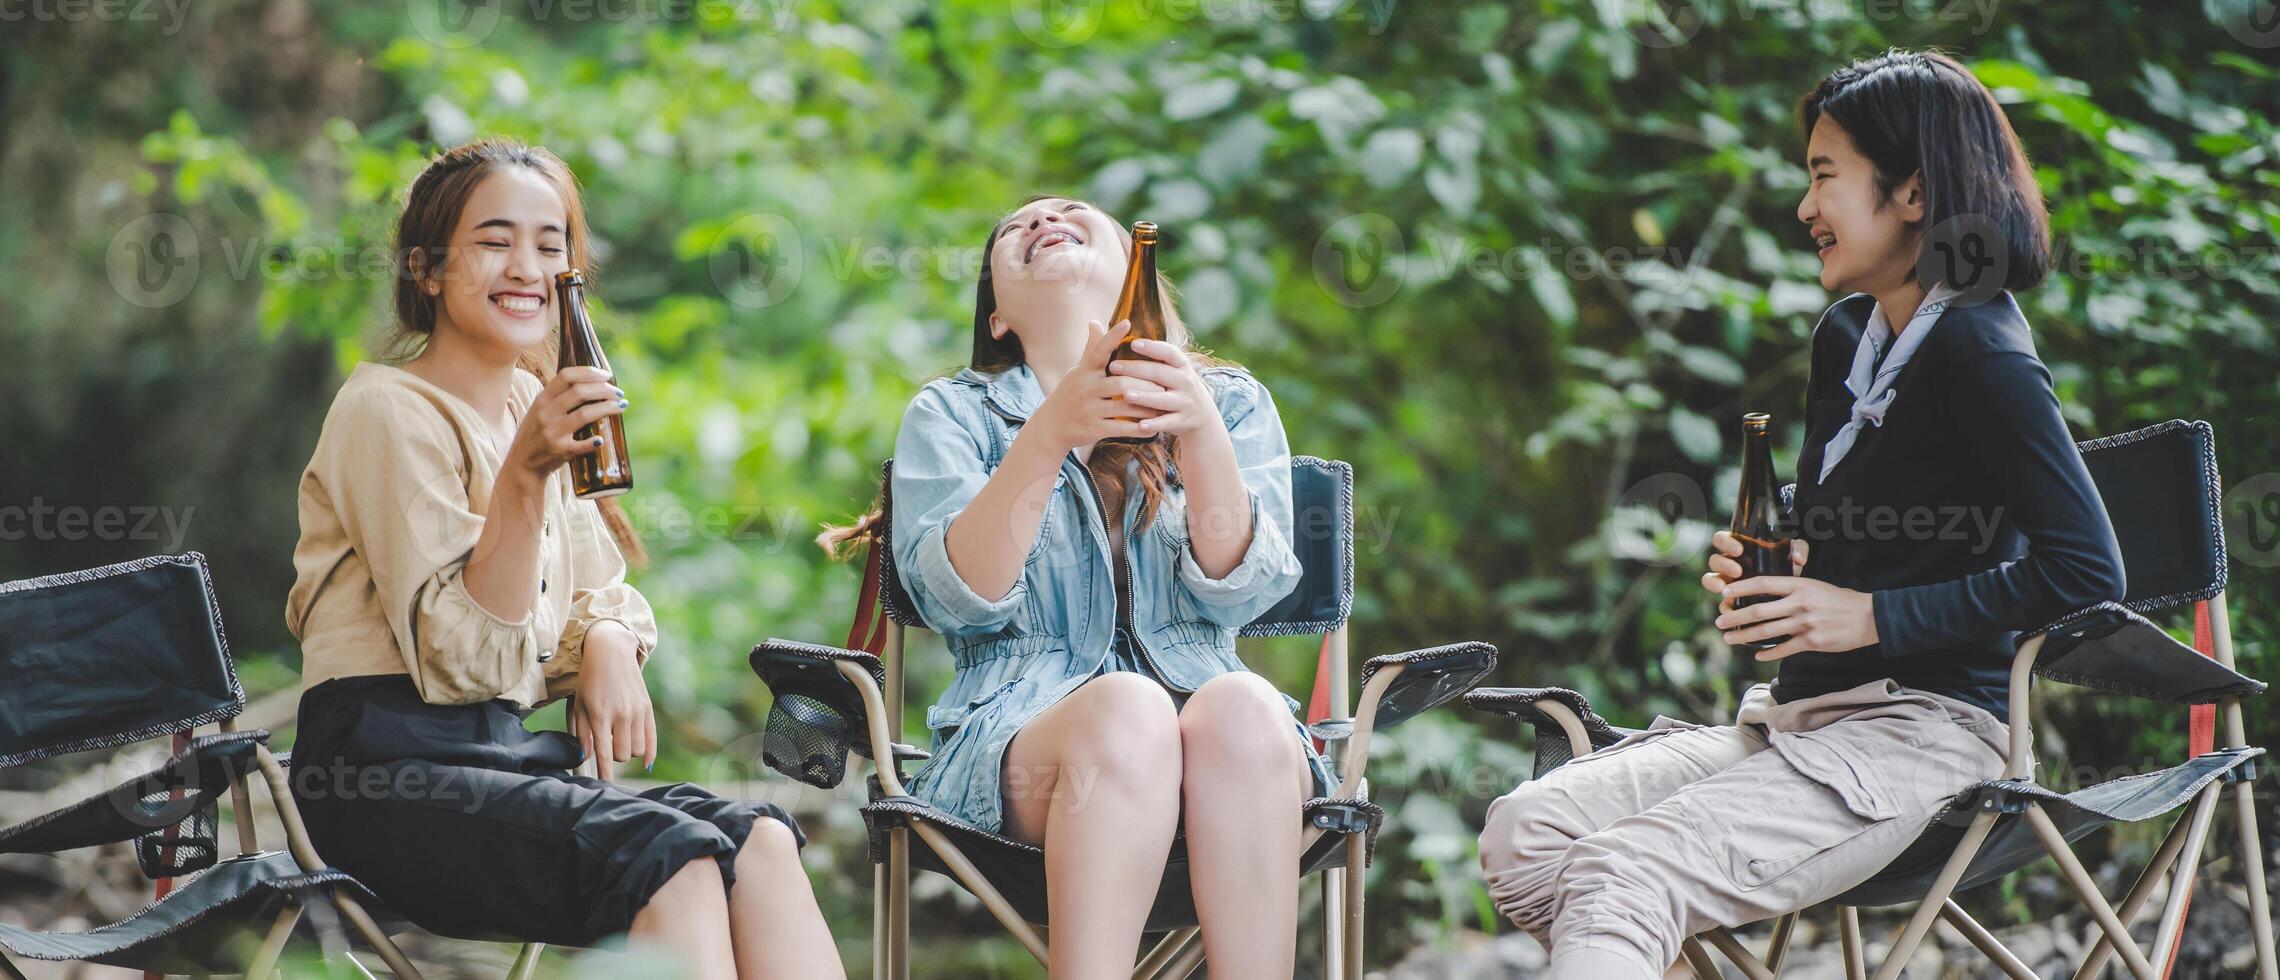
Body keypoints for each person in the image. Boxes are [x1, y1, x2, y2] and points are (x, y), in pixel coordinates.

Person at [1476, 50, 2126, 979]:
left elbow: (2089, 574)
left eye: (1825, 176)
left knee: (1627, 872)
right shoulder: (1849, 335)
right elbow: (1844, 528)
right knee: (1526, 831)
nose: (1805, 207)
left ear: (1912, 191)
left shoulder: (1984, 349)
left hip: (1925, 736)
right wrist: (1767, 553)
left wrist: (1871, 617)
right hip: (1796, 722)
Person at [283, 138, 843, 980]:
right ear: (427, 268)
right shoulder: (384, 410)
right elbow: (462, 664)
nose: (528, 267)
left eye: (551, 246)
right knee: (675, 855)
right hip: (383, 775)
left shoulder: (530, 402)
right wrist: (524, 473)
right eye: (494, 239)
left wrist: (611, 642)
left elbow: (595, 589)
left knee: (759, 838)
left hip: (500, 760)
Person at [829, 194, 1328, 977]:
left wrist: (1195, 432)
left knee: (1243, 703)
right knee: (1129, 710)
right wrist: (1050, 431)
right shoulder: (953, 414)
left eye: (1068, 212)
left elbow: (1245, 592)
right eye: (1015, 227)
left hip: (1230, 759)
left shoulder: (1228, 403)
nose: (1042, 221)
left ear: (1138, 274)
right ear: (997, 317)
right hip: (1020, 748)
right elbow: (956, 596)